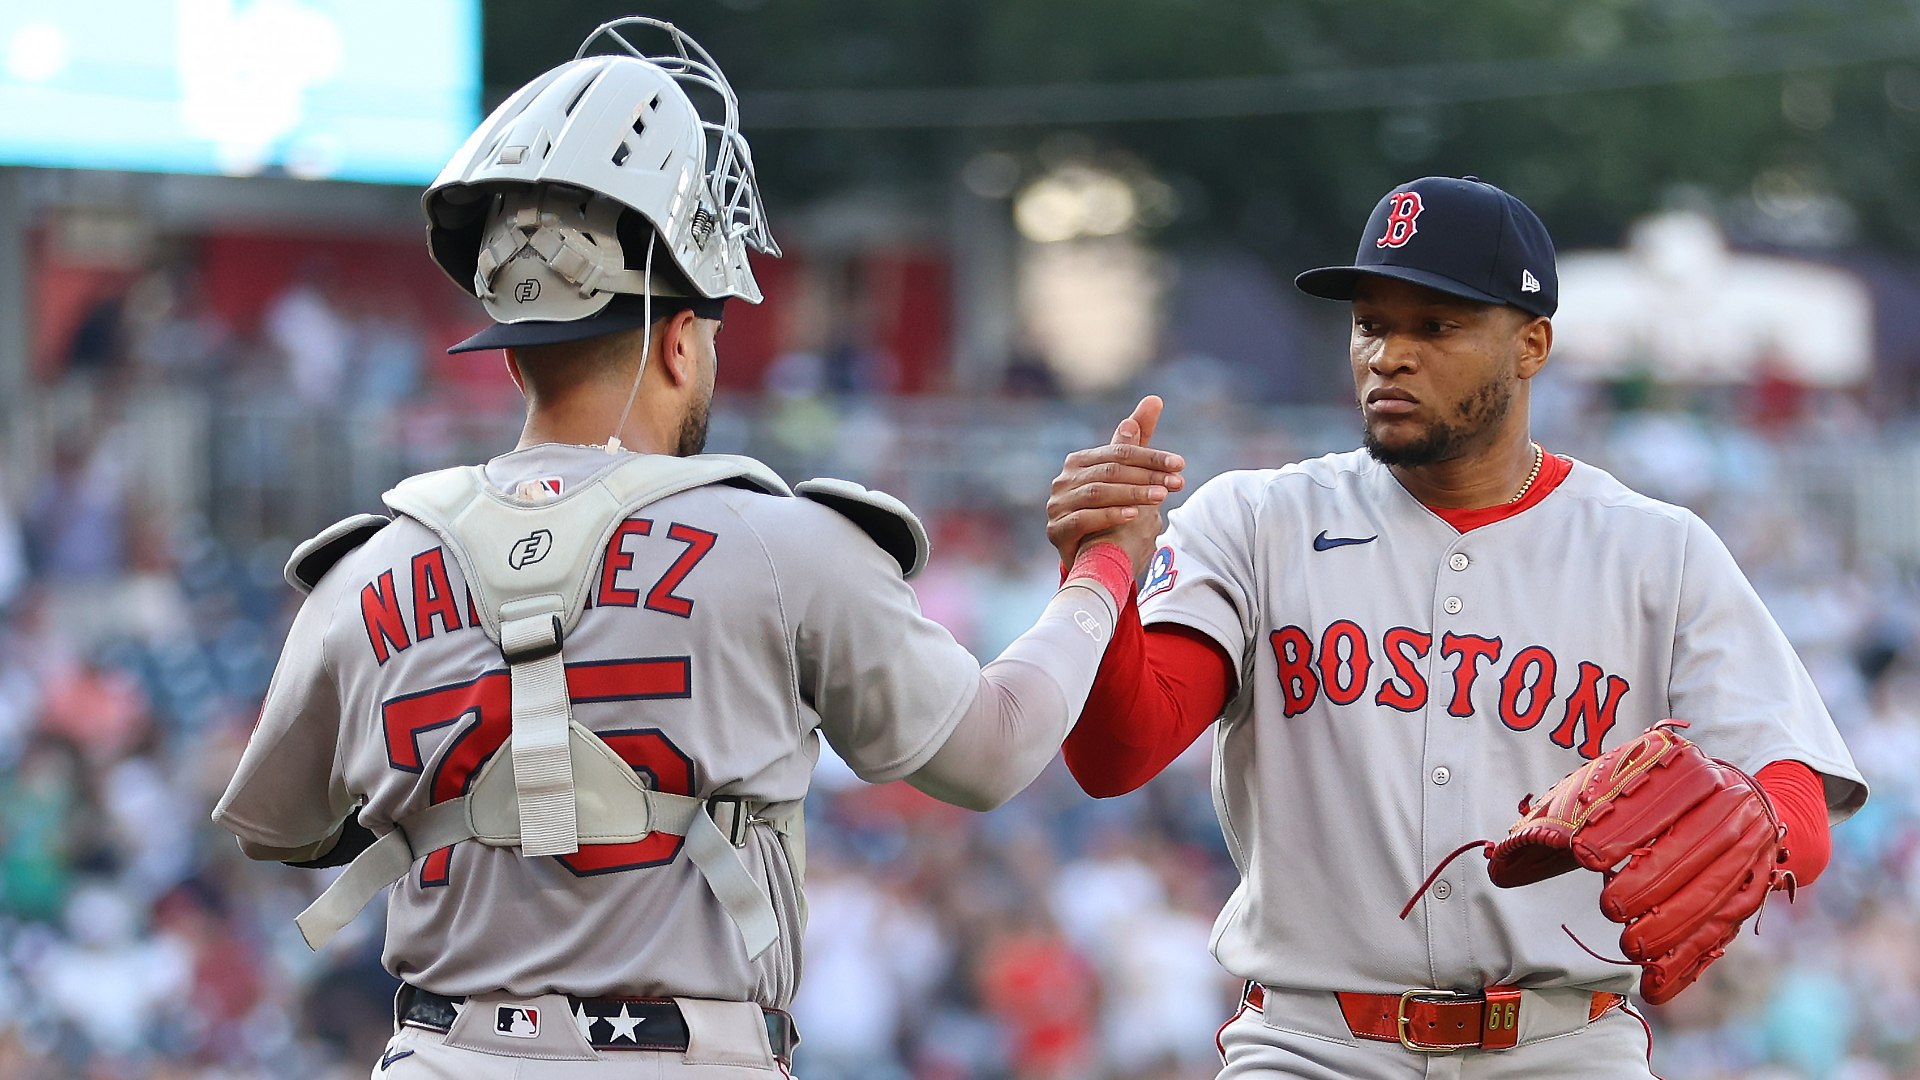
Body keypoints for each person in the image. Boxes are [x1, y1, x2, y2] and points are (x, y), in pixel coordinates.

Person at [211, 19, 1170, 1079]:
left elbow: (278, 827)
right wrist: (1103, 569)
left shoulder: (363, 571)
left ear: (514, 352)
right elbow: (992, 752)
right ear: (678, 337)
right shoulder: (782, 542)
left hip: (438, 1054)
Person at [1045, 175, 1866, 1078]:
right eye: (1370, 323)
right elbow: (1115, 757)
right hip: (1311, 1045)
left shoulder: (1655, 548)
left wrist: (1760, 817)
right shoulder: (1255, 519)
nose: (1389, 355)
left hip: (1562, 1045)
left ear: (1531, 344)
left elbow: (1795, 794)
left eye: (1434, 326)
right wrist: (1105, 574)